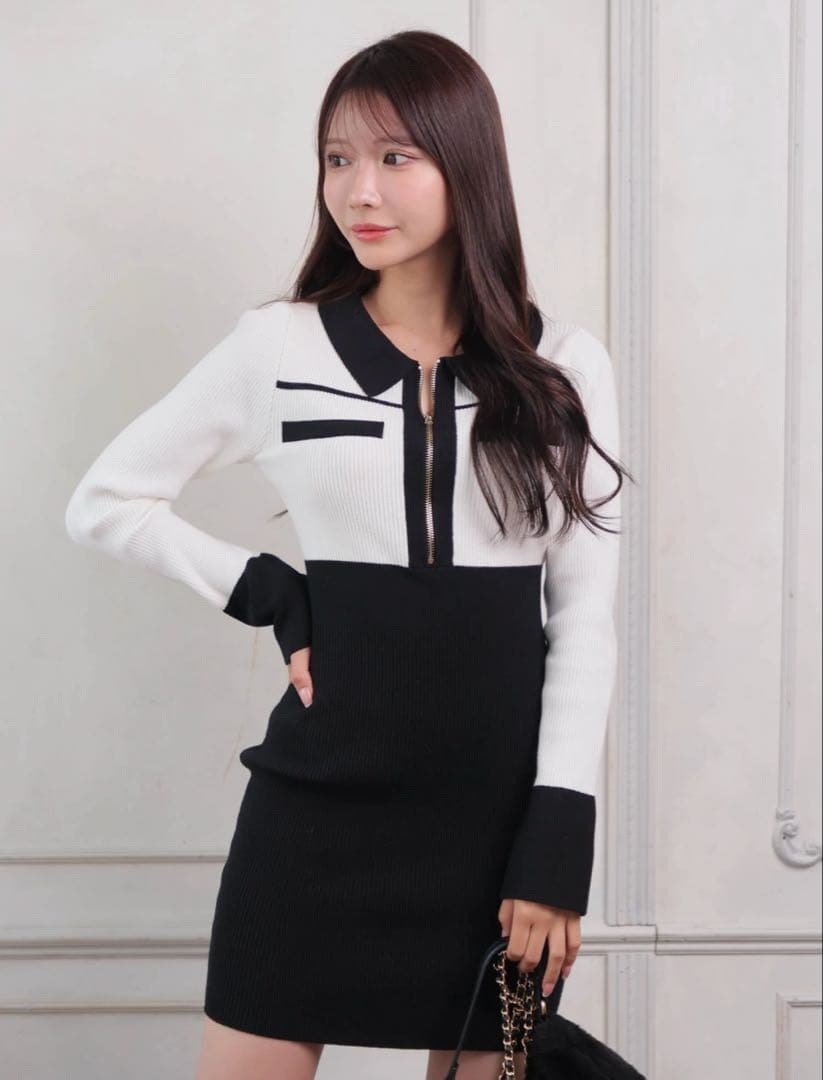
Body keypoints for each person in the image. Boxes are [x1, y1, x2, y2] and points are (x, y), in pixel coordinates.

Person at [64, 28, 630, 1080]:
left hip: (499, 832)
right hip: (313, 821)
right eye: (337, 158)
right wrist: (268, 588)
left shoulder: (562, 364)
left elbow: (584, 619)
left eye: (394, 157)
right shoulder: (278, 347)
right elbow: (105, 500)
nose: (358, 191)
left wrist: (558, 838)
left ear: (466, 165)